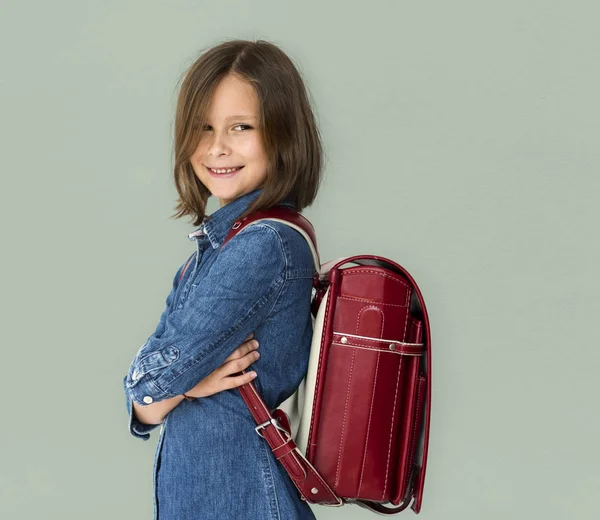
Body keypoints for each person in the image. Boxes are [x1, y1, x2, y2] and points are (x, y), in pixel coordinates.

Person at [122, 39, 323, 520]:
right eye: (204, 127)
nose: (216, 147)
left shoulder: (264, 245)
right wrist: (181, 384)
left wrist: (174, 385)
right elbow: (146, 404)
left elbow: (148, 385)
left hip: (244, 502)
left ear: (284, 135)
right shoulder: (212, 250)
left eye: (241, 127)